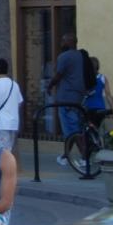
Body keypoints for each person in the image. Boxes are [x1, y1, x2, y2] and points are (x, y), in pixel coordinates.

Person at [47, 33, 84, 164]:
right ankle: (66, 156)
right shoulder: (80, 55)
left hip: (66, 97)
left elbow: (58, 74)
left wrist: (50, 85)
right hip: (78, 96)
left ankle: (84, 157)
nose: (61, 42)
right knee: (71, 128)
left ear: (69, 41)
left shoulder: (64, 56)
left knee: (72, 129)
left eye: (63, 40)